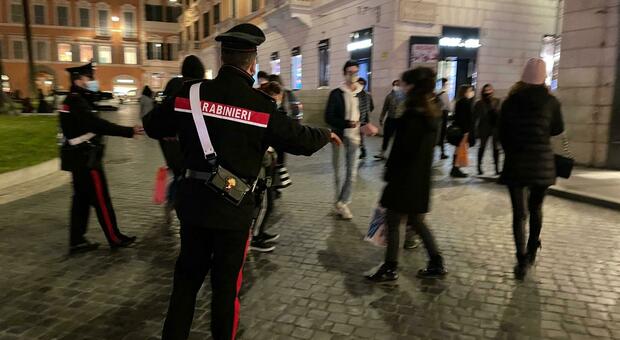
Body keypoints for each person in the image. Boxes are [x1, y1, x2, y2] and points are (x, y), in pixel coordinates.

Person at [143, 23, 341, 340]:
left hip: (193, 205)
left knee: (186, 282)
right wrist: (326, 134)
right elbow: (300, 140)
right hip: (233, 210)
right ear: (251, 62)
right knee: (225, 290)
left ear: (223, 57)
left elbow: (152, 125)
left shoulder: (189, 94)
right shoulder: (261, 106)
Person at [366, 67, 447, 282]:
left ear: (412, 86)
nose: (401, 87)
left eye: (404, 83)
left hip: (404, 180)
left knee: (393, 221)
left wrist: (390, 174)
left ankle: (391, 267)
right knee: (417, 222)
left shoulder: (412, 115)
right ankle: (436, 262)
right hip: (420, 180)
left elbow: (402, 151)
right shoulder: (432, 113)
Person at [58, 62, 143, 254]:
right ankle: (114, 237)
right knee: (101, 200)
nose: (91, 81)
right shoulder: (77, 101)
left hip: (78, 159)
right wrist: (128, 131)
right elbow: (97, 124)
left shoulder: (71, 99)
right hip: (87, 160)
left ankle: (77, 240)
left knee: (80, 201)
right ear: (79, 79)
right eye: (88, 78)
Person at [499, 58, 564, 279]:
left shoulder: (510, 101)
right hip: (543, 163)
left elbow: (502, 133)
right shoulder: (552, 102)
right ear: (544, 77)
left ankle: (521, 259)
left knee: (519, 214)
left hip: (516, 162)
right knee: (536, 209)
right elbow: (557, 129)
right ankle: (533, 250)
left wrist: (510, 151)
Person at [157, 55, 206, 224]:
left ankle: (171, 203)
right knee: (185, 176)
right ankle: (178, 205)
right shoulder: (198, 89)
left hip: (168, 143)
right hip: (184, 143)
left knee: (178, 175)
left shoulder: (173, 85)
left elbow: (155, 119)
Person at [325, 60, 364, 220]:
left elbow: (365, 112)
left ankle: (343, 202)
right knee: (338, 173)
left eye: (355, 72)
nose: (353, 75)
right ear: (344, 73)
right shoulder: (336, 93)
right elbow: (328, 117)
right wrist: (347, 123)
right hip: (339, 138)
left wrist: (366, 125)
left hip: (355, 139)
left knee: (352, 173)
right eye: (349, 72)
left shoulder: (362, 93)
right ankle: (338, 201)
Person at [474, 83, 501, 175]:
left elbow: (498, 113)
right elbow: (477, 116)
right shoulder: (479, 103)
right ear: (483, 92)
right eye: (486, 90)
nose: (488, 92)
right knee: (482, 146)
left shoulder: (497, 101)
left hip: (494, 126)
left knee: (495, 148)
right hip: (484, 126)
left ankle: (497, 169)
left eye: (490, 89)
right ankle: (479, 166)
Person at [375, 79, 405, 160]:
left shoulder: (405, 96)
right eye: (395, 85)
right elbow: (385, 108)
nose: (396, 86)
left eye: (398, 85)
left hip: (400, 120)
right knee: (386, 137)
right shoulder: (389, 96)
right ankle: (382, 153)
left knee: (399, 138)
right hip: (390, 119)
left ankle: (399, 154)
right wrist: (381, 118)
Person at [450, 84, 475, 178]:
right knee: (460, 150)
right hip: (463, 130)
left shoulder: (460, 101)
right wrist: (466, 131)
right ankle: (455, 169)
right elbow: (464, 118)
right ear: (465, 92)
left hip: (460, 129)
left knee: (458, 149)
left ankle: (455, 168)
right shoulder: (465, 102)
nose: (472, 92)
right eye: (470, 90)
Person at [357, 77, 374, 159]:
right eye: (359, 83)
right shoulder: (353, 94)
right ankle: (360, 149)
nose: (361, 85)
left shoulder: (368, 95)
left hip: (363, 120)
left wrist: (366, 115)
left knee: (361, 137)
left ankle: (362, 149)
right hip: (354, 120)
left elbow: (371, 106)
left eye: (362, 83)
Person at [436, 78, 450, 159]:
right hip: (444, 114)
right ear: (444, 84)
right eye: (447, 84)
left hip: (437, 114)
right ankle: (442, 153)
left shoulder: (436, 93)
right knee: (442, 133)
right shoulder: (444, 93)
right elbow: (448, 106)